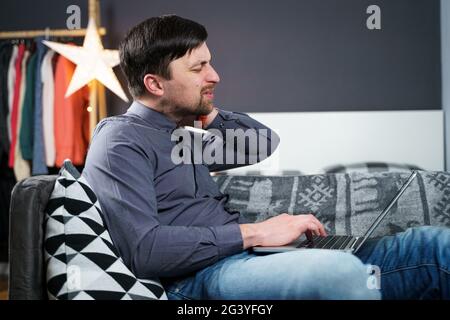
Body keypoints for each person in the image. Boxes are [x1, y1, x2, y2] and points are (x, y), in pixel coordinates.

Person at [83, 15, 449, 300]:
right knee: (337, 273)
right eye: (198, 69)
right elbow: (145, 250)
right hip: (200, 278)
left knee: (433, 246)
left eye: (209, 63)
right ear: (155, 84)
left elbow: (260, 144)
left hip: (251, 261)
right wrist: (258, 231)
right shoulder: (121, 140)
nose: (215, 76)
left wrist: (206, 111)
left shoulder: (180, 136)